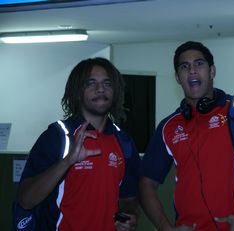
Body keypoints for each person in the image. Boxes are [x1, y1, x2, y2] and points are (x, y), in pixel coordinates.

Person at [139, 41, 234, 231]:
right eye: (184, 67)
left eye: (199, 64)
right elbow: (146, 183)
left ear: (212, 71)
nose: (192, 70)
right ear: (178, 77)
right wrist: (165, 228)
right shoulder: (169, 127)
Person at [15, 57, 140, 231]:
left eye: (107, 83)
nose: (100, 89)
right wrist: (67, 162)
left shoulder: (123, 141)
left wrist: (128, 218)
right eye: (91, 83)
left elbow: (129, 200)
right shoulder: (57, 136)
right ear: (77, 91)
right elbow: (26, 200)